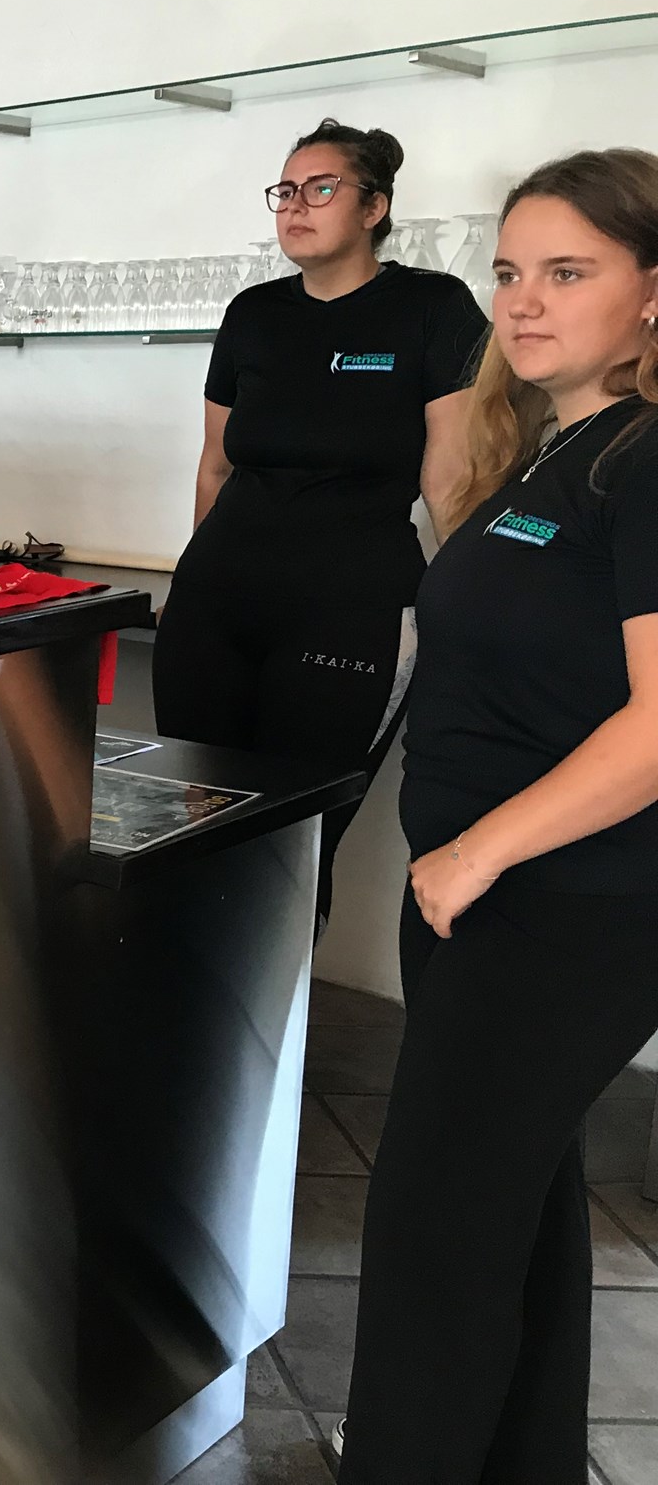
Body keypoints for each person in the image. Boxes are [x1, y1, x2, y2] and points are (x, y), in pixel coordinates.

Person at [336, 149, 658, 1483]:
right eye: (511, 271)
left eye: (567, 272)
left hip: (561, 908)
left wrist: (477, 852)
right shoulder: (561, 450)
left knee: (435, 1240)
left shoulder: (646, 462)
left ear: (652, 292)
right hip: (489, 898)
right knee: (512, 1217)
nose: (523, 302)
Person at [152, 119, 487, 930]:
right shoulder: (253, 314)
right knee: (196, 822)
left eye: (321, 188)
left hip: (351, 609)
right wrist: (195, 581)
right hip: (214, 605)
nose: (296, 205)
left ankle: (278, 1014)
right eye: (286, 191)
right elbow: (214, 466)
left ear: (374, 207)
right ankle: (193, 1008)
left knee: (295, 837)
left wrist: (476, 613)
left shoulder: (432, 307)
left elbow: (451, 478)